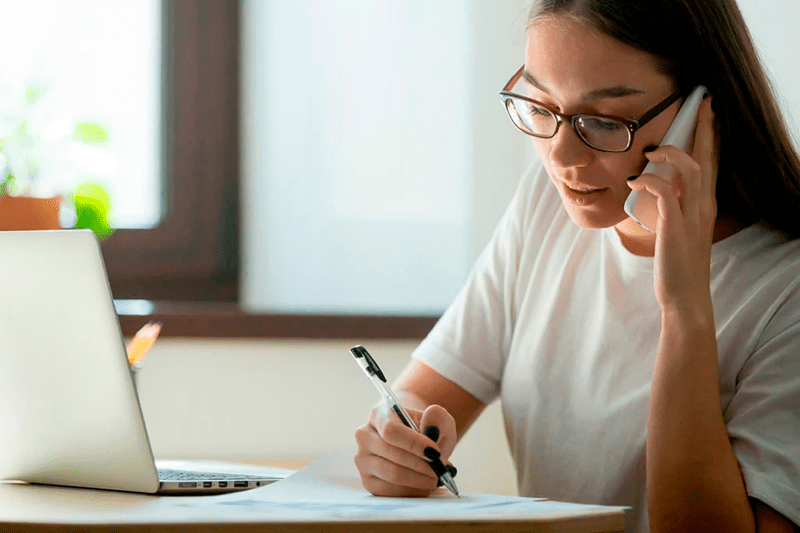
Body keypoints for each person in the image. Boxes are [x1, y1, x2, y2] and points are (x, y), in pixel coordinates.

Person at [353, 0, 800, 531]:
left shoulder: (786, 286)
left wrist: (684, 311)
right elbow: (421, 397)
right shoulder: (547, 204)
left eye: (604, 122)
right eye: (541, 107)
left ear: (702, 113)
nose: (562, 158)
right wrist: (395, 443)